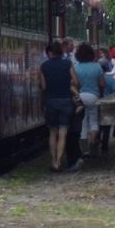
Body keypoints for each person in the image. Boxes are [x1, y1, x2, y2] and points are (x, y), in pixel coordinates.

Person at [40, 40, 79, 172]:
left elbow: (43, 87)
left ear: (50, 53)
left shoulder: (44, 66)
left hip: (51, 101)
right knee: (63, 133)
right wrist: (67, 84)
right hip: (66, 101)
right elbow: (75, 81)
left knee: (52, 133)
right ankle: (59, 162)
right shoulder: (68, 64)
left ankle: (53, 161)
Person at [74, 43, 105, 156]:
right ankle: (93, 142)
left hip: (80, 97)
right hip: (93, 97)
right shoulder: (97, 66)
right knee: (93, 121)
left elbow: (74, 84)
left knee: (82, 123)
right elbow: (102, 84)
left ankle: (84, 149)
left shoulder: (76, 67)